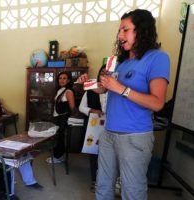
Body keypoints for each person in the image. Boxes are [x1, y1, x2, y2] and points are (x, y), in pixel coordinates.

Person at [77, 9, 170, 200]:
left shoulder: (157, 58)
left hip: (134, 137)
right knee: (103, 185)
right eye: (119, 31)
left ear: (141, 31)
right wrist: (90, 83)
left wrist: (121, 89)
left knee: (131, 191)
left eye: (125, 30)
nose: (120, 35)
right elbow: (106, 89)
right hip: (109, 133)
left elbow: (158, 103)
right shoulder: (120, 62)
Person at [0, 113, 43, 190]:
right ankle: (10, 193)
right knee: (11, 164)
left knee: (23, 156)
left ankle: (30, 181)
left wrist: (5, 145)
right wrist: (1, 148)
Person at [79, 66, 105, 193]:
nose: (105, 76)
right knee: (94, 153)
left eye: (108, 73)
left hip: (111, 126)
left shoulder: (116, 90)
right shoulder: (90, 90)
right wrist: (93, 110)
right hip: (94, 126)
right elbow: (81, 107)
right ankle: (95, 180)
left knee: (108, 155)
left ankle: (108, 181)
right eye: (102, 73)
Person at [46, 71, 75, 164]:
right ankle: (58, 156)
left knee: (60, 137)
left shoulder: (68, 91)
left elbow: (72, 107)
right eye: (60, 78)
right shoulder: (60, 90)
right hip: (57, 117)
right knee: (57, 137)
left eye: (64, 78)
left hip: (63, 118)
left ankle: (58, 157)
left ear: (68, 80)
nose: (62, 80)